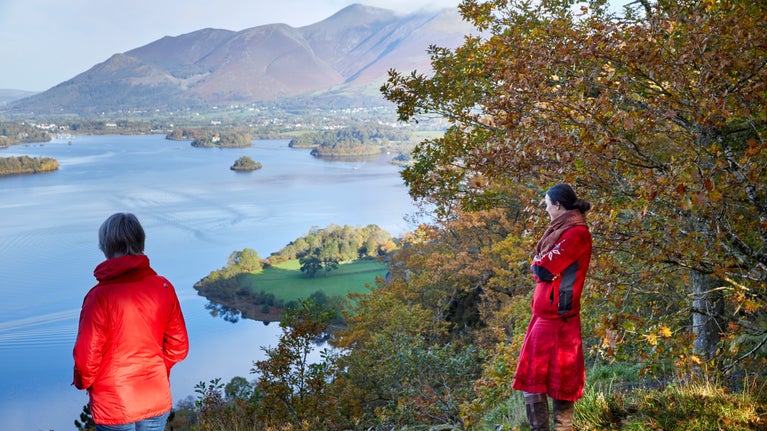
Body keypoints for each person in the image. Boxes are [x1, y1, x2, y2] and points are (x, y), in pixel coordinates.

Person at [73, 212, 189, 431]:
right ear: (140, 242)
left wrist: (83, 383)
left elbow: (85, 359)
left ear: (105, 246)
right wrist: (154, 368)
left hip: (113, 404)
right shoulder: (163, 287)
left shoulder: (99, 297)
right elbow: (179, 347)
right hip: (155, 395)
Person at [512, 184, 592, 431]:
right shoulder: (561, 230)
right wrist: (539, 264)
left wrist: (538, 264)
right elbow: (541, 265)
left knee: (558, 379)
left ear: (558, 205)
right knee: (537, 379)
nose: (545, 208)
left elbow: (542, 268)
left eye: (547, 203)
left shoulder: (576, 233)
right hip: (546, 316)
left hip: (559, 318)